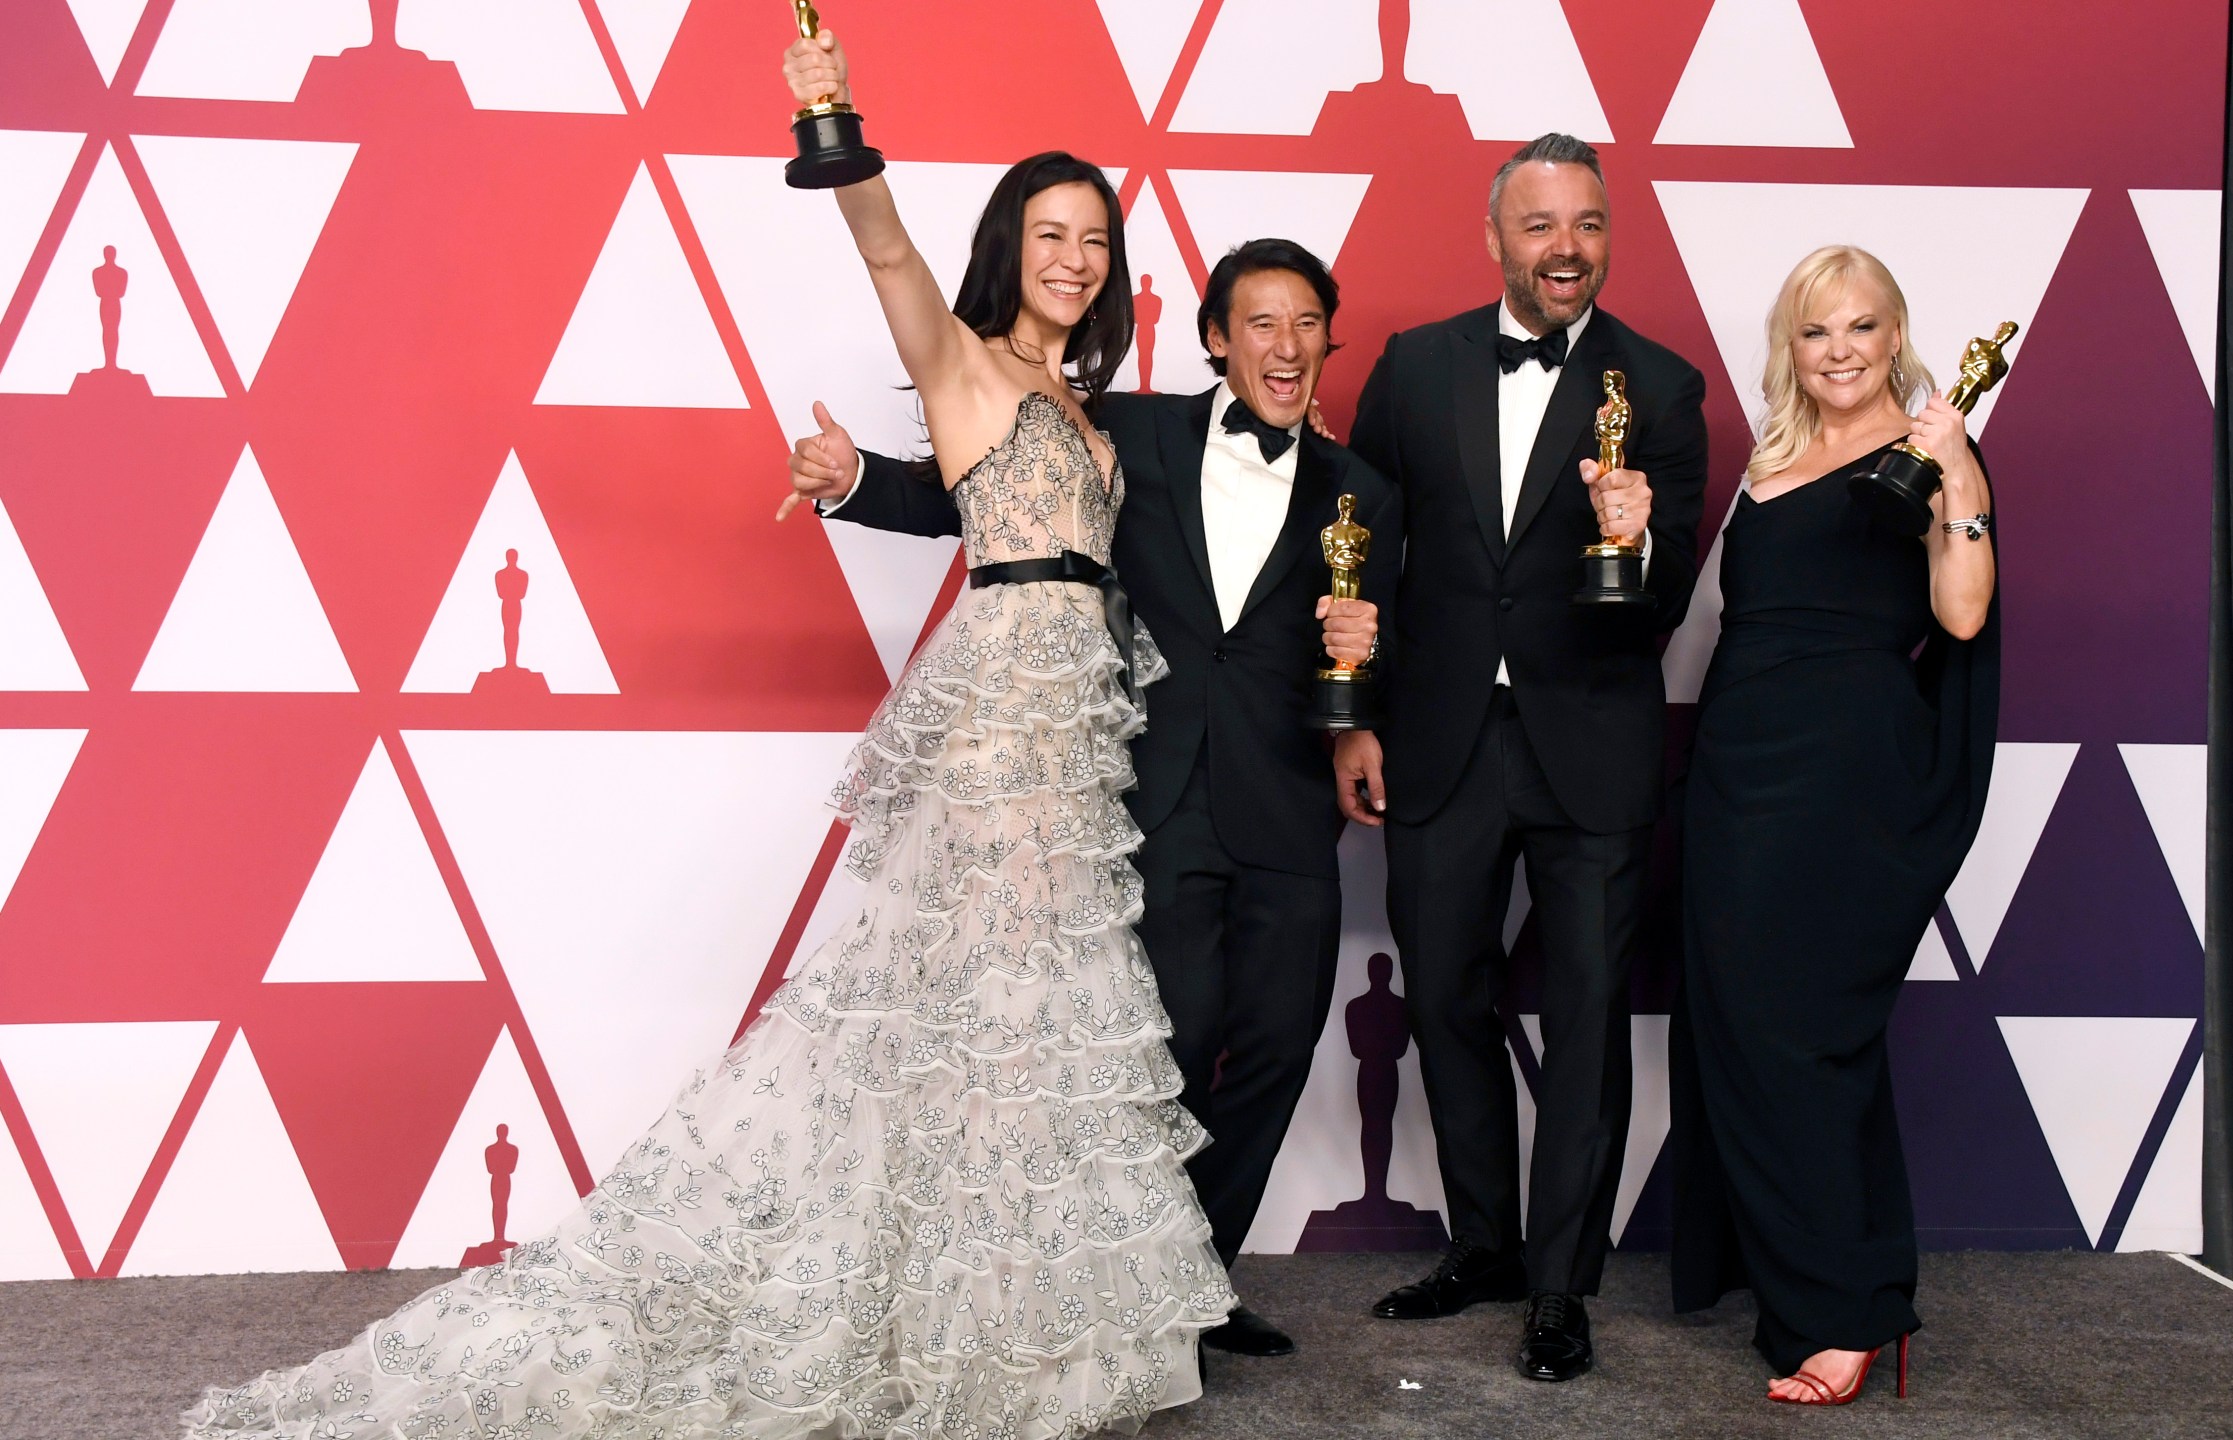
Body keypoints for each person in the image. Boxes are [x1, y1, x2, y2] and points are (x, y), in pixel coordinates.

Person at [180, 27, 1234, 1440]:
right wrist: (836, 120)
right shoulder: (967, 360)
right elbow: (888, 259)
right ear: (1011, 245)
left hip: (1079, 727)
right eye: (1050, 234)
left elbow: (988, 510)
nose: (1075, 258)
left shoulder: (1085, 402)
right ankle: (946, 1316)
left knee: (1034, 1015)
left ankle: (1019, 1317)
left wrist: (865, 479)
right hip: (1000, 725)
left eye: (1093, 238)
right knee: (977, 999)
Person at [790, 237, 1400, 1361]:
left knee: (1274, 1044)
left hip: (1285, 805)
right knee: (1170, 1044)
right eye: (1259, 323)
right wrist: (860, 483)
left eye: (1306, 324)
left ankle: (1198, 1285)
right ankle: (1138, 1297)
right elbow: (988, 488)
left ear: (1328, 341)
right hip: (1150, 791)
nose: (1285, 345)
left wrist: (1368, 670)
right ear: (1217, 339)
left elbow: (1371, 643)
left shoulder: (1363, 493)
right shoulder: (1138, 436)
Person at [1340, 132, 1708, 1383]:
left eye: (1589, 225)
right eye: (1543, 225)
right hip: (1439, 741)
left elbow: (1660, 599)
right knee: (1444, 994)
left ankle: (1561, 1285)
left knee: (1591, 1019)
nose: (1568, 248)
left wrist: (1639, 541)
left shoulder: (1661, 387)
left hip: (1590, 748)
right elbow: (1364, 554)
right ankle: (1484, 1244)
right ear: (1495, 238)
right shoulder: (1411, 366)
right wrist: (1358, 717)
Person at [1669, 244, 1998, 1406]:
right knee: (1735, 1021)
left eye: (1862, 327)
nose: (1841, 349)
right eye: (1818, 331)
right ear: (1791, 347)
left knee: (1808, 1031)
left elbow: (1959, 617)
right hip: (1737, 764)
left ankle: (1851, 1307)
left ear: (1895, 334)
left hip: (1845, 773)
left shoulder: (1928, 454)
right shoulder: (1771, 455)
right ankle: (1797, 1277)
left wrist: (1958, 477)